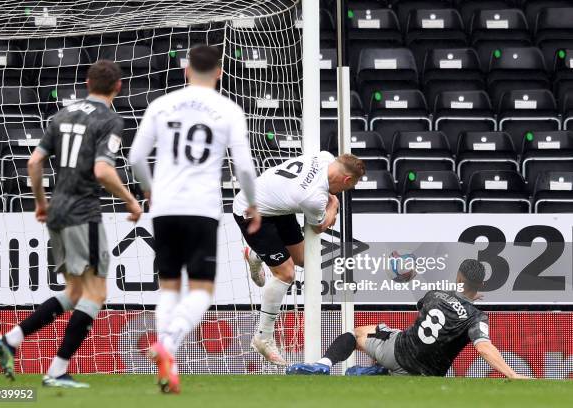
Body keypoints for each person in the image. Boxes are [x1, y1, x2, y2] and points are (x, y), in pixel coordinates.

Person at [0, 60, 142, 388]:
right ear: (118, 88)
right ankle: (58, 369)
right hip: (83, 212)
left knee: (75, 292)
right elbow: (102, 170)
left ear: (87, 82)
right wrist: (131, 201)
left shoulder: (61, 115)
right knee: (96, 292)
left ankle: (11, 338)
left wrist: (42, 203)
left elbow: (34, 162)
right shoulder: (110, 120)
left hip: (58, 210)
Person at [129, 44, 259, 394]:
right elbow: (244, 166)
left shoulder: (162, 105)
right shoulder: (228, 109)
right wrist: (254, 205)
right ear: (219, 72)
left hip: (165, 208)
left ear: (186, 70)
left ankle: (164, 352)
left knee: (169, 286)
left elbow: (136, 157)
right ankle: (168, 346)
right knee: (202, 289)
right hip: (201, 209)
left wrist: (149, 190)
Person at [287, 259, 530, 379]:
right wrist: (513, 375)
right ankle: (382, 373)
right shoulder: (477, 316)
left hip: (399, 351)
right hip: (426, 376)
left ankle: (324, 365)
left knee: (357, 333)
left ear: (458, 277)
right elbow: (485, 348)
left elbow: (429, 309)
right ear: (481, 285)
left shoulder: (435, 294)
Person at [233, 152, 365, 365]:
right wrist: (333, 206)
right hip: (251, 211)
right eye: (347, 188)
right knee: (286, 273)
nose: (343, 192)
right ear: (346, 180)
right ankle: (263, 337)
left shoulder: (324, 157)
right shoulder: (313, 198)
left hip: (275, 204)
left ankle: (256, 254)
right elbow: (320, 226)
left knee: (304, 259)